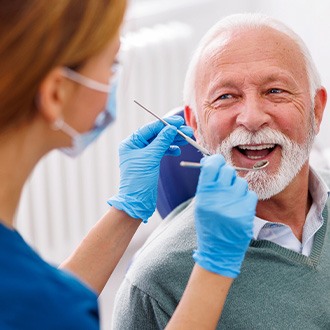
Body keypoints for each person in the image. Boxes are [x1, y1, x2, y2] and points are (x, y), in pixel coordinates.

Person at [0, 1, 258, 329]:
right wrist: (214, 267)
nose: (251, 117)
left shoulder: (31, 296)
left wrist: (127, 210)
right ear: (55, 94)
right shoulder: (46, 304)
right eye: (112, 65)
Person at [112, 12, 330, 330]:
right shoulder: (156, 286)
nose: (252, 119)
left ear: (316, 109)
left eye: (275, 91)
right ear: (196, 125)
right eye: (226, 96)